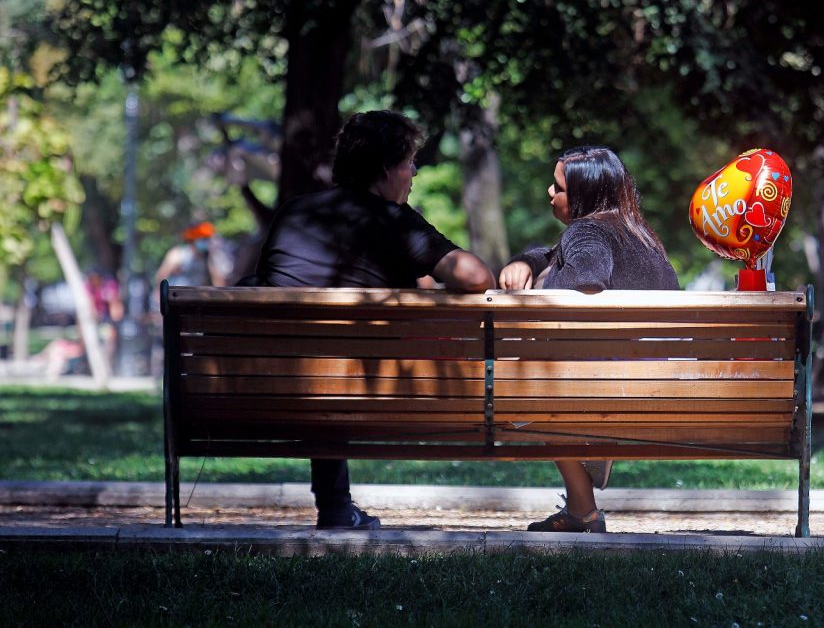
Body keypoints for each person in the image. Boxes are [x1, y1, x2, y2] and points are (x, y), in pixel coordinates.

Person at [254, 110, 495, 530]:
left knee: (320, 364)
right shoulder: (391, 219)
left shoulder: (294, 213)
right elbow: (477, 277)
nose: (414, 172)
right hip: (379, 388)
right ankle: (335, 506)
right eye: (408, 162)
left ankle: (334, 506)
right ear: (386, 169)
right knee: (336, 367)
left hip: (274, 386)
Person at [499, 145, 679, 533]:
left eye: (558, 187)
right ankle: (583, 510)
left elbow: (588, 277)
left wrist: (538, 290)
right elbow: (553, 252)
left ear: (583, 197)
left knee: (515, 388)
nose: (550, 193)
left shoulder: (587, 231)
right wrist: (529, 262)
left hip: (604, 386)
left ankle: (591, 451)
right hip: (657, 382)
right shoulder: (643, 238)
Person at [153, 222, 229, 288]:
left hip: (197, 299)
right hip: (176, 299)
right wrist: (160, 298)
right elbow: (161, 277)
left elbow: (219, 283)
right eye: (202, 238)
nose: (205, 241)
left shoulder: (208, 257)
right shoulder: (178, 254)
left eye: (206, 238)